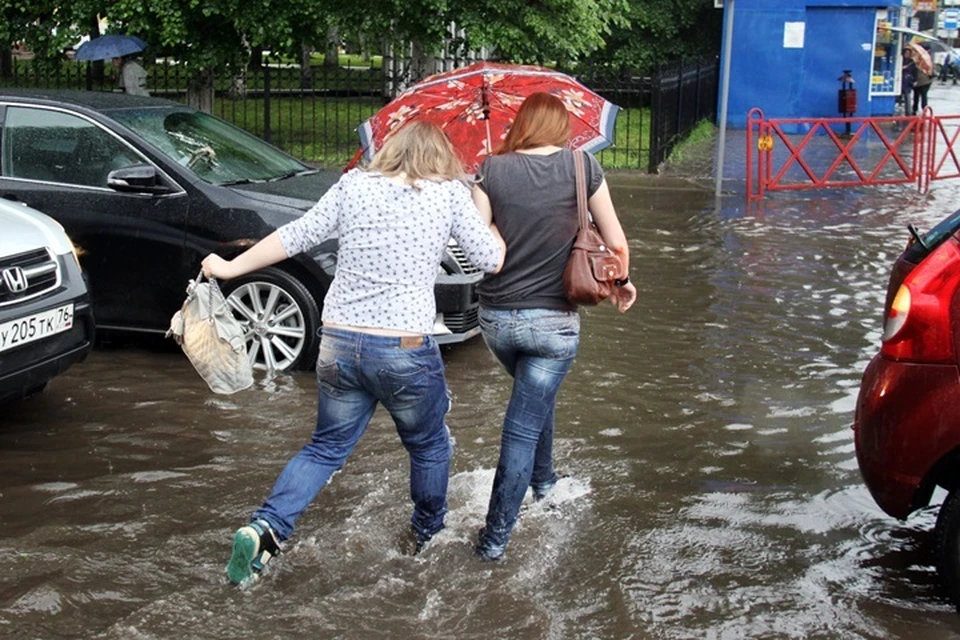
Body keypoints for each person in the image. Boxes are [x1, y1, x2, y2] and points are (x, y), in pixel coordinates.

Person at [202, 121, 505, 585]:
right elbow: (490, 260)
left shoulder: (354, 186)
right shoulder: (448, 195)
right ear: (441, 158)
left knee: (324, 448)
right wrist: (487, 216)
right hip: (403, 346)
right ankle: (427, 538)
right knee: (429, 445)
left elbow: (296, 236)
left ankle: (265, 528)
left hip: (339, 342)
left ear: (392, 150)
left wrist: (229, 267)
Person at [470, 92, 637, 561]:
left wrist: (498, 215)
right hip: (554, 325)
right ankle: (494, 542)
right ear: (563, 127)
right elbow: (617, 244)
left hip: (497, 321)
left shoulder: (490, 168)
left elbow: (478, 247)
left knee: (533, 398)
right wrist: (621, 283)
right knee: (522, 426)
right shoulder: (583, 168)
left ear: (521, 125)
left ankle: (545, 483)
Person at [901, 48, 917, 116]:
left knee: (907, 97)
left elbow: (914, 72)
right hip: (900, 80)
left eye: (909, 53)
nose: (907, 55)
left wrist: (915, 80)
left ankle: (908, 112)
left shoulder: (911, 62)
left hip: (907, 82)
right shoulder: (900, 60)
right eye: (906, 53)